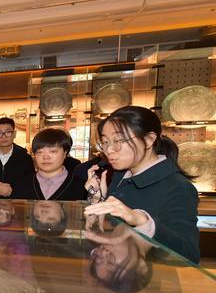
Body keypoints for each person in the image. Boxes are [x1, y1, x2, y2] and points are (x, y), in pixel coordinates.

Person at [84, 105, 199, 263]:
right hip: (121, 267)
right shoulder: (120, 176)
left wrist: (143, 221)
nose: (109, 149)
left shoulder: (178, 187)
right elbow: (113, 231)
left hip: (152, 274)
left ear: (149, 140)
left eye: (118, 141)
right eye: (105, 142)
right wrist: (98, 199)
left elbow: (189, 254)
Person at [12, 128, 87, 201]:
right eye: (39, 152)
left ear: (65, 153)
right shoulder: (22, 184)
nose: (45, 157)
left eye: (53, 151)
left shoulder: (81, 186)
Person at [0, 117, 35, 198]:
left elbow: (30, 185)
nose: (3, 137)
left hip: (16, 204)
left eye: (8, 132)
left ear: (14, 134)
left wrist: (12, 192)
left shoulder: (25, 158)